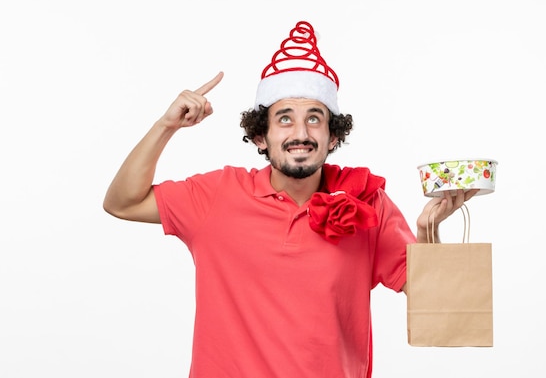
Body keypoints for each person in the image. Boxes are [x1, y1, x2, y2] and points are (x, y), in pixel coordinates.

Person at [103, 21, 476, 378]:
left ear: (333, 137)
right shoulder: (216, 196)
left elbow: (442, 312)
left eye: (315, 119)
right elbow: (122, 203)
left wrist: (428, 231)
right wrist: (166, 126)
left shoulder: (368, 201)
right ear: (260, 137)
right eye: (284, 119)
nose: (301, 133)